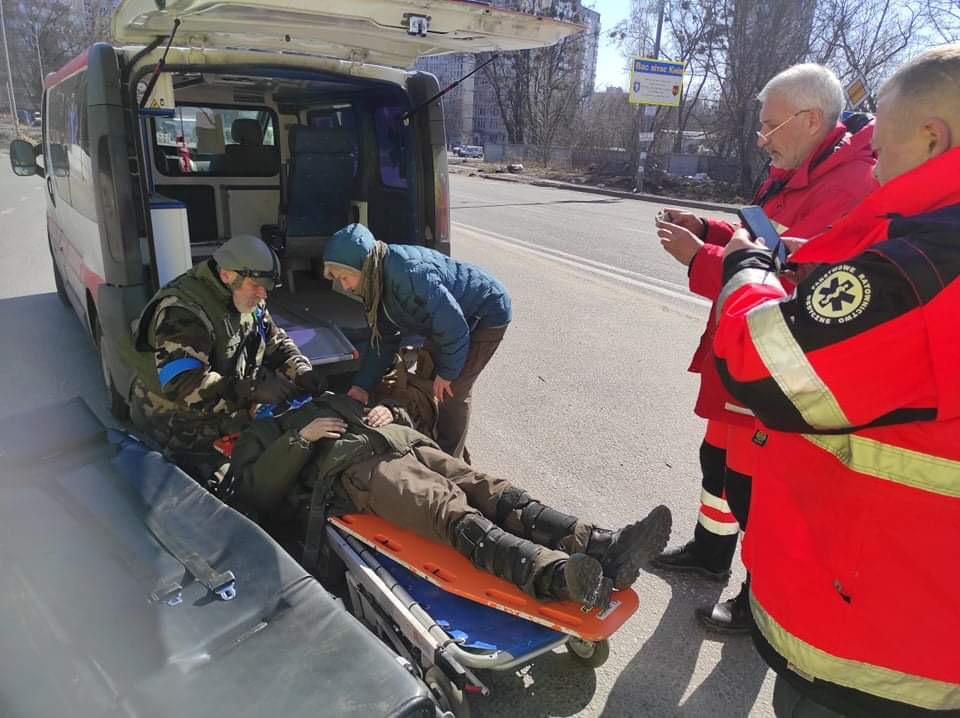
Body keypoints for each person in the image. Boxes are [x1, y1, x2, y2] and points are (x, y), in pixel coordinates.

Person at [713, 45, 960, 716]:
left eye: (881, 143)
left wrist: (745, 270)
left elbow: (767, 367)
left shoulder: (930, 264)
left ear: (932, 137)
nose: (873, 162)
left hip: (884, 644)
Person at [650, 64, 878, 632]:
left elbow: (802, 283)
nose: (761, 139)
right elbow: (765, 241)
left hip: (775, 358)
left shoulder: (849, 186)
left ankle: (763, 597)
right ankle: (710, 552)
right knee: (719, 463)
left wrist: (701, 259)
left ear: (810, 120)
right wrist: (709, 231)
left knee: (760, 490)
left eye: (770, 126)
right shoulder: (801, 170)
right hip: (744, 349)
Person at [219, 391, 673, 612]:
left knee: (494, 490)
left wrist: (389, 411)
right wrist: (300, 439)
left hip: (401, 441)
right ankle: (556, 577)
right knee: (449, 510)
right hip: (358, 472)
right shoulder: (263, 433)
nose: (280, 383)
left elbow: (394, 410)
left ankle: (604, 545)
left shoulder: (326, 396)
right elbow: (257, 490)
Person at [126, 234, 324, 479]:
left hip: (223, 416)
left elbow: (275, 341)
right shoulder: (184, 311)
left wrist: (301, 371)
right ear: (227, 275)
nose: (263, 295)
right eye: (256, 286)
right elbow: (182, 384)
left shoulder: (248, 297)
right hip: (175, 425)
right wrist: (249, 390)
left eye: (266, 287)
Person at [322, 223, 510, 461]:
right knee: (428, 382)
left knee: (452, 391)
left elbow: (454, 327)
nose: (345, 286)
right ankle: (439, 442)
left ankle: (450, 462)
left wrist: (448, 373)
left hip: (486, 313)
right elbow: (383, 339)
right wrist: (362, 385)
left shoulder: (410, 273)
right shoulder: (374, 283)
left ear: (364, 264)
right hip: (446, 322)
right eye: (338, 279)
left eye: (346, 277)